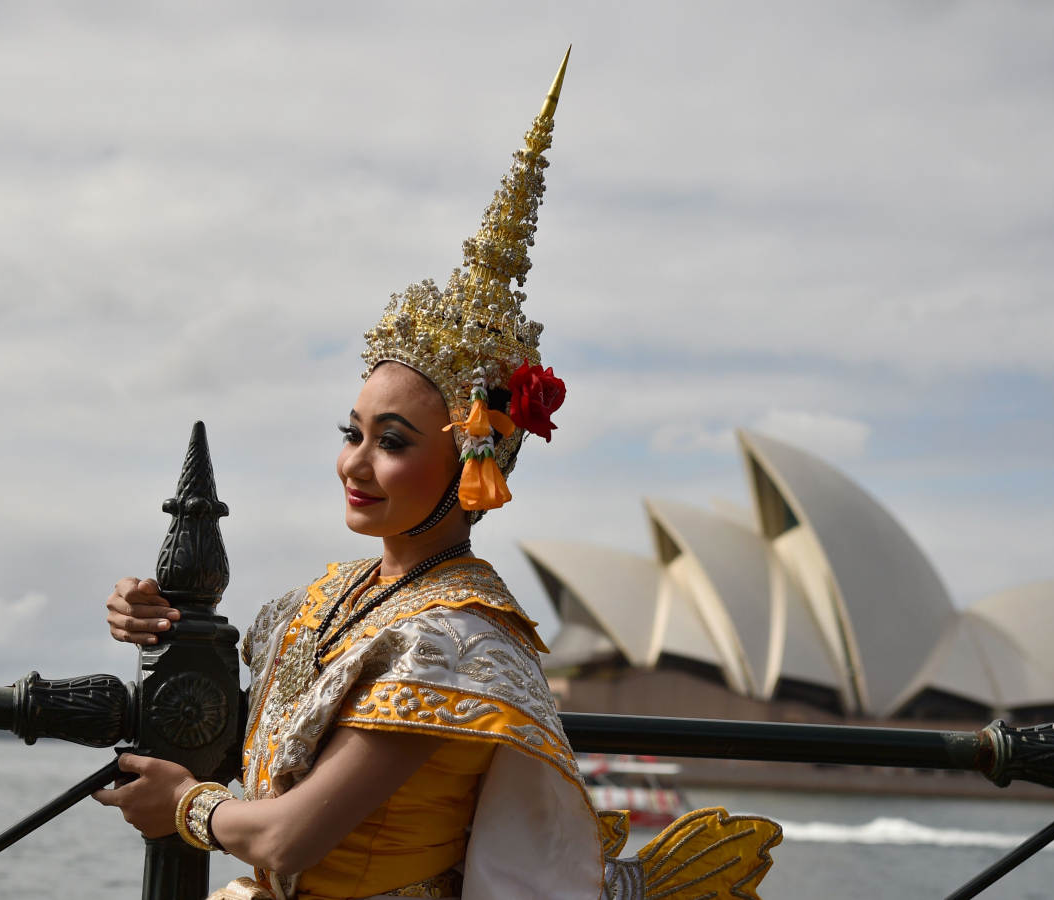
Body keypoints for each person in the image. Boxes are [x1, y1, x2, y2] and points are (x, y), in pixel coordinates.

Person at [95, 50, 780, 900]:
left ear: (472, 462)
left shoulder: (453, 639)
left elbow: (286, 836)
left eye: (392, 441)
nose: (355, 462)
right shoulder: (328, 598)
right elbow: (259, 743)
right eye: (352, 432)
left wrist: (188, 809)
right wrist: (164, 625)